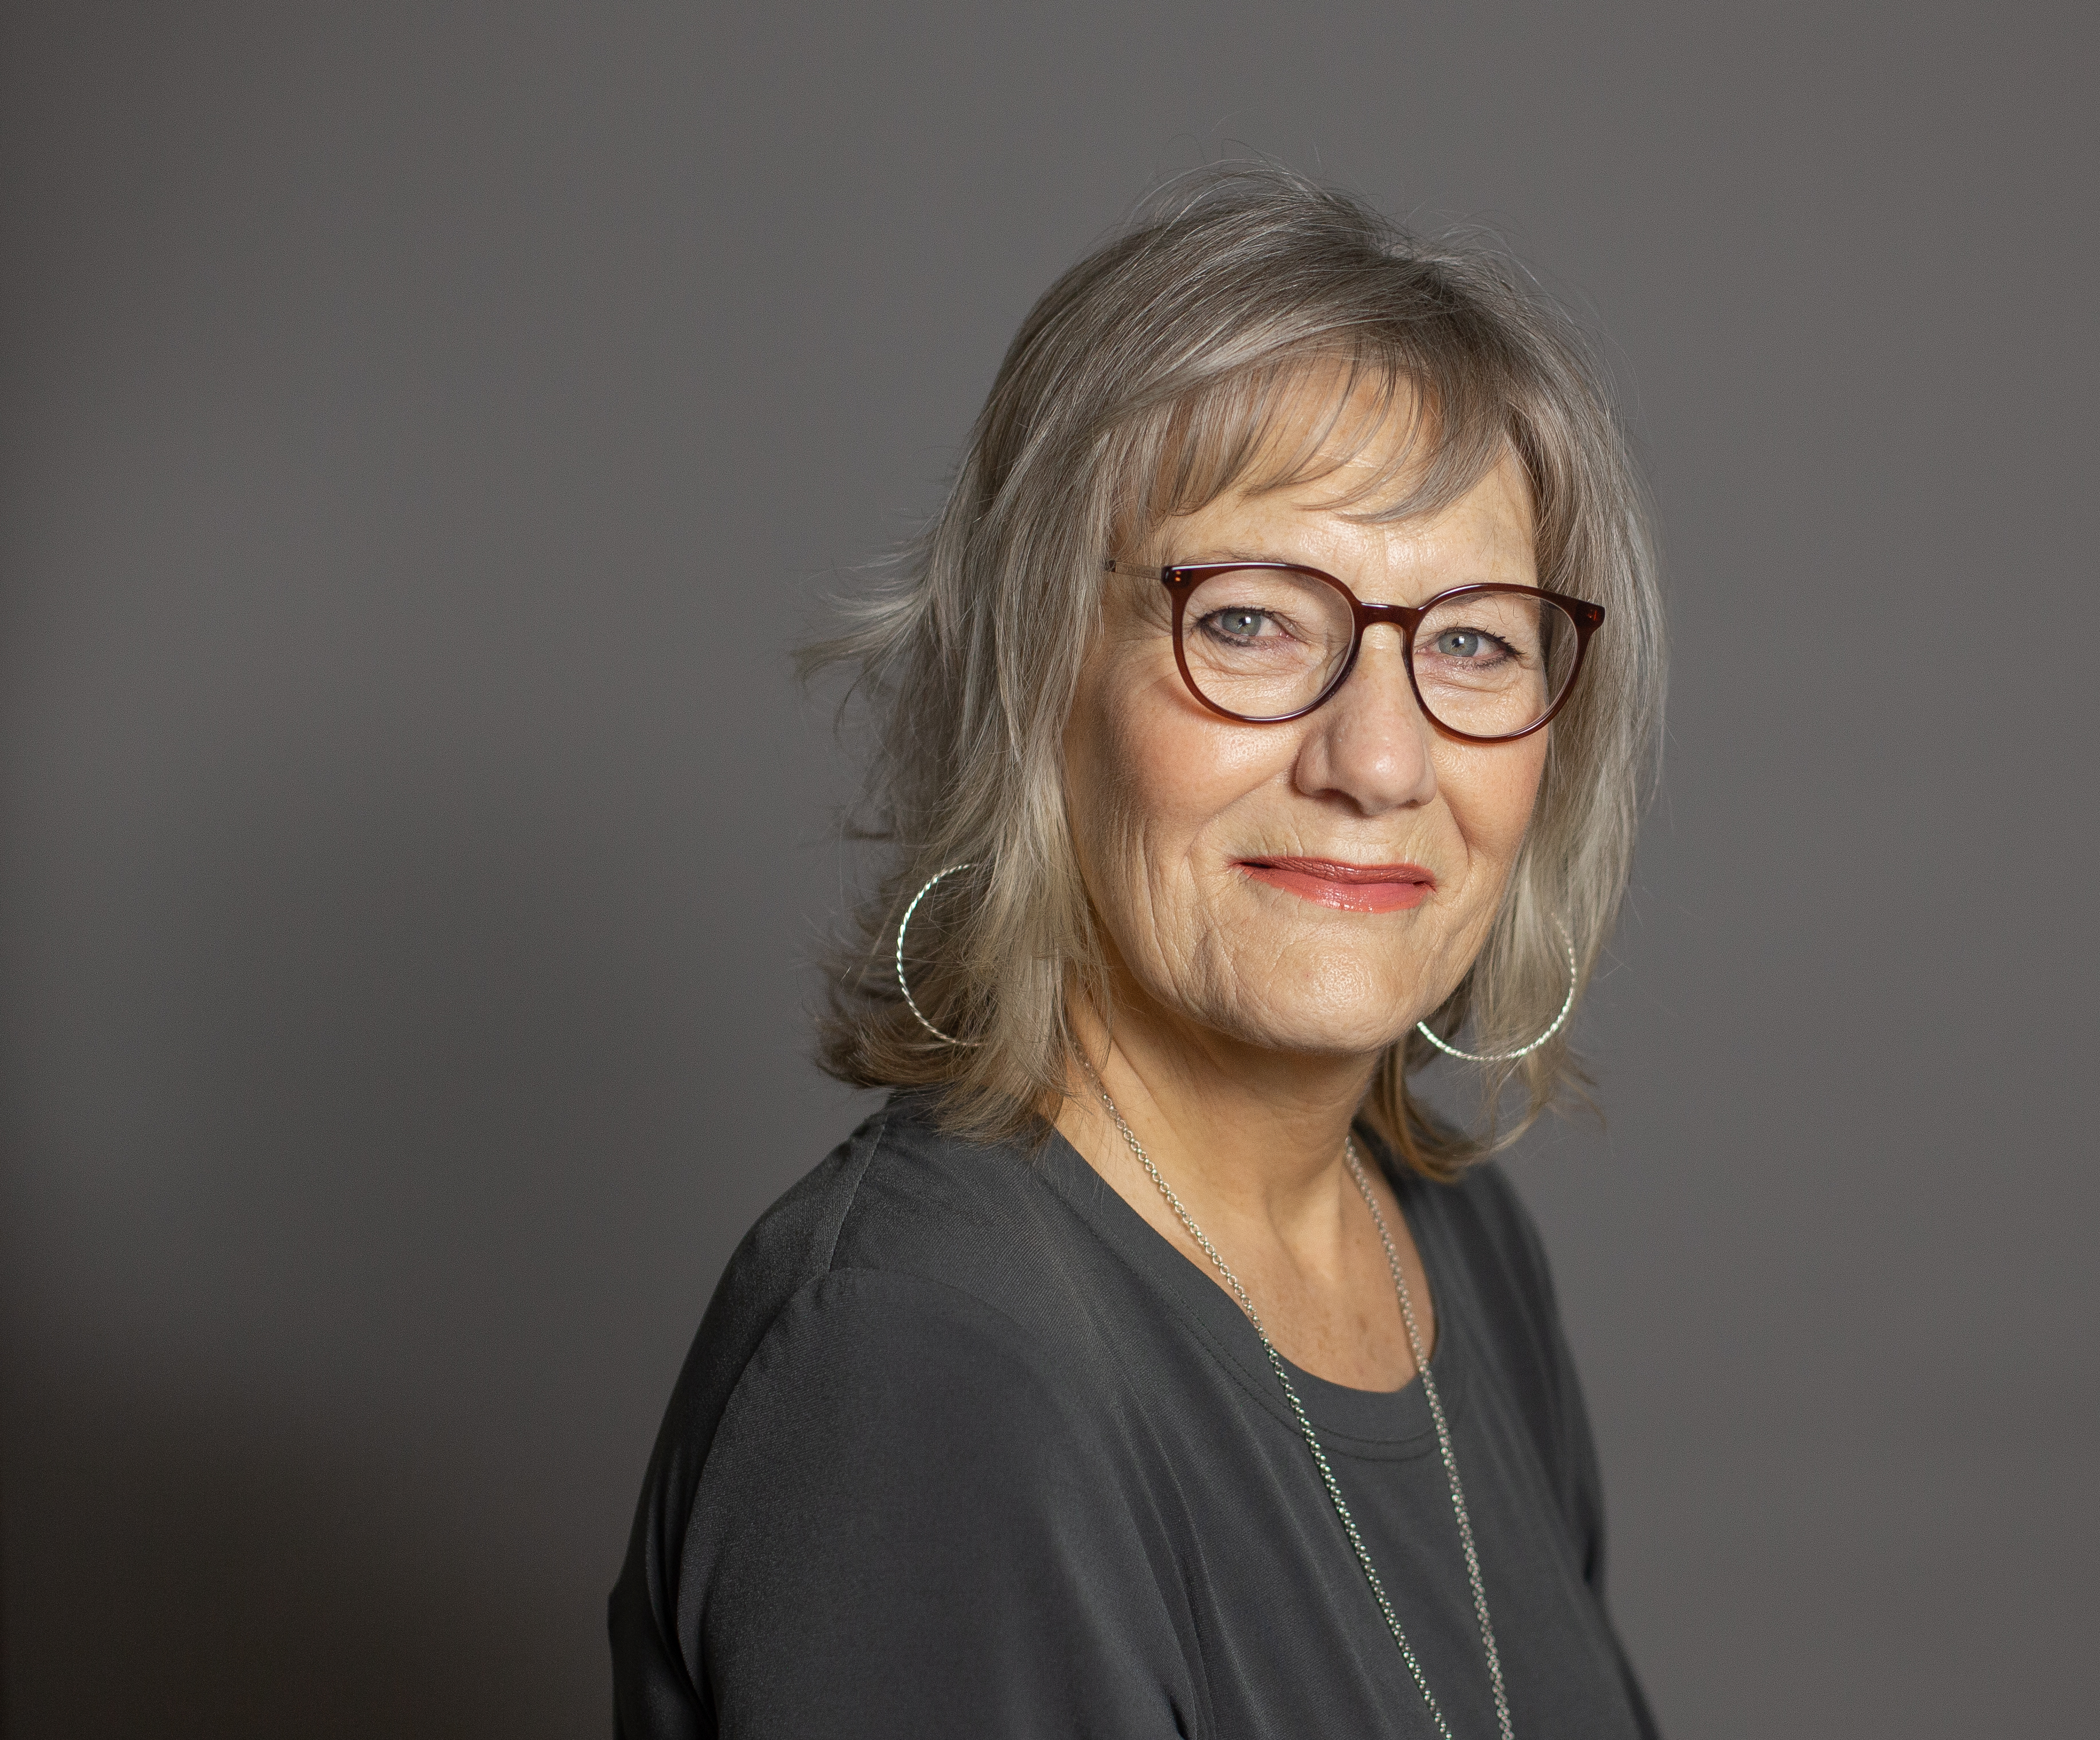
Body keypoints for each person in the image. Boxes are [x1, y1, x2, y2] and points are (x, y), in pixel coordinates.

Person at [610, 167, 1666, 1739]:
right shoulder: (918, 1365)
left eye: (1470, 639)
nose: (1378, 761)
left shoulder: (1453, 1244)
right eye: (1249, 620)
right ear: (1037, 672)